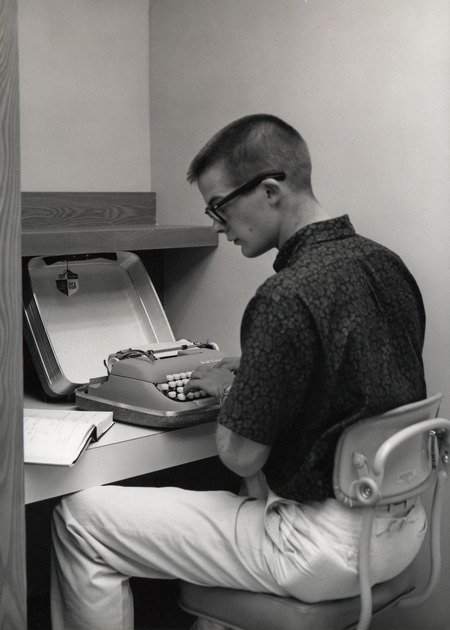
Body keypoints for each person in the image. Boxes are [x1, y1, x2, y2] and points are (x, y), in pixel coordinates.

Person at [51, 114, 428, 630]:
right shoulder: (384, 264)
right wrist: (257, 374)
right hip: (403, 532)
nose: (215, 226)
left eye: (219, 207)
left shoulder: (284, 295)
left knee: (80, 519)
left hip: (320, 548)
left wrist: (238, 393)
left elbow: (239, 454)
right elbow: (363, 380)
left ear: (270, 190)